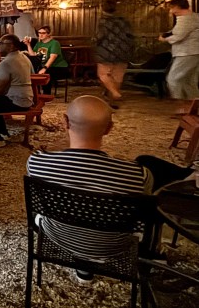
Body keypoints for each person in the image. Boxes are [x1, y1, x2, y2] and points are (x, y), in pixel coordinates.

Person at [26, 95, 155, 276]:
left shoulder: (36, 162)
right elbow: (141, 214)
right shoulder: (139, 174)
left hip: (58, 237)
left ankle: (82, 263)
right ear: (109, 129)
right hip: (113, 246)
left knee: (38, 210)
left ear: (65, 122)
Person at [159, 0, 199, 100]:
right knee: (189, 80)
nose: (171, 11)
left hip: (186, 53)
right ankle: (193, 105)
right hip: (194, 52)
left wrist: (164, 39)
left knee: (173, 79)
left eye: (172, 8)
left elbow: (179, 36)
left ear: (178, 6)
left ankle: (179, 103)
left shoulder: (186, 19)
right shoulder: (195, 17)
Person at [94, 0, 134, 104]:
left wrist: (94, 42)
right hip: (123, 51)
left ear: (102, 8)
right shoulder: (124, 21)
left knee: (103, 74)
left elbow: (99, 37)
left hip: (106, 52)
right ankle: (112, 99)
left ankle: (114, 93)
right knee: (118, 76)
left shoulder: (103, 22)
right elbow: (130, 36)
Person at [24, 25, 69, 95]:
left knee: (45, 73)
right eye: (39, 33)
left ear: (48, 34)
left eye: (43, 33)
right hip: (45, 66)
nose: (40, 35)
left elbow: (53, 57)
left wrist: (44, 68)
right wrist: (28, 45)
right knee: (32, 71)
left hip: (58, 67)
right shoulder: (39, 43)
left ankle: (46, 94)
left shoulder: (54, 43)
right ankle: (36, 93)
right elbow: (33, 55)